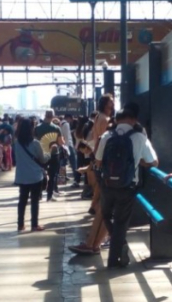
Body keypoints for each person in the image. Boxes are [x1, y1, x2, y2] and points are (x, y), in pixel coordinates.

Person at [94, 103, 158, 268]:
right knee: (121, 223)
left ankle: (119, 248)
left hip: (108, 184)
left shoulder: (107, 136)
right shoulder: (139, 137)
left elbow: (98, 161)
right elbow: (154, 162)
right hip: (128, 185)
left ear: (116, 119)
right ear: (134, 120)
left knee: (107, 215)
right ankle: (113, 260)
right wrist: (139, 162)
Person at [68, 95, 116, 255]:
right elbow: (104, 141)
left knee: (103, 204)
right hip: (105, 164)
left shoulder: (100, 118)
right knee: (104, 205)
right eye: (111, 101)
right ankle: (98, 241)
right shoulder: (105, 119)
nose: (113, 103)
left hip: (99, 162)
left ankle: (95, 242)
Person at [14, 117, 49, 232]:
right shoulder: (35, 143)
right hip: (35, 176)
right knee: (34, 201)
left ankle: (20, 225)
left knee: (22, 201)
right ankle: (34, 225)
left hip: (22, 176)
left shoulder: (16, 143)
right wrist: (50, 152)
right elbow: (43, 159)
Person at [35, 109, 64, 202]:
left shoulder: (37, 128)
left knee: (40, 174)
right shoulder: (56, 128)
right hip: (54, 154)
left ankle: (39, 195)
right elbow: (60, 142)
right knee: (52, 175)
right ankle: (49, 196)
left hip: (41, 154)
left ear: (45, 115)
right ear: (53, 116)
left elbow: (34, 141)